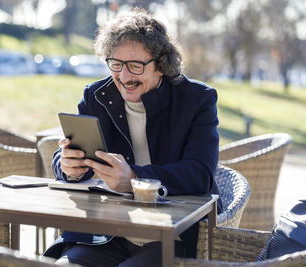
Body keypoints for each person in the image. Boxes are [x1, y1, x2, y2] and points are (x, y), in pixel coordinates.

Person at [44, 7, 222, 267]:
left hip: (170, 236)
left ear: (161, 66)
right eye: (116, 64)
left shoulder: (197, 100)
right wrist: (67, 166)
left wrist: (135, 179)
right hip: (104, 233)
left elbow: (200, 173)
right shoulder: (95, 96)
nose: (124, 77)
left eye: (136, 66)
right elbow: (70, 154)